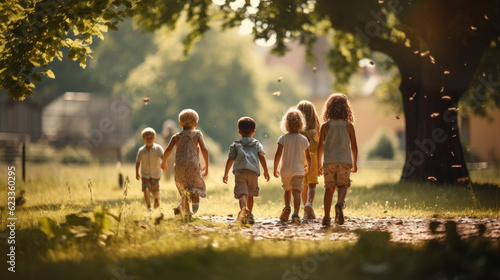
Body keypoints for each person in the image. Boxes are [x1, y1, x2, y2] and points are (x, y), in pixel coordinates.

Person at [317, 93, 358, 226]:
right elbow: (354, 146)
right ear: (346, 109)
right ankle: (340, 203)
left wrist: (319, 164)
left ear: (329, 108)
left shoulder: (325, 126)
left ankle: (327, 217)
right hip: (345, 161)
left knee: (329, 189)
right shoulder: (349, 126)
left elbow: (319, 148)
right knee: (343, 185)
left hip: (329, 162)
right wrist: (355, 163)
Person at [161, 109, 209, 216]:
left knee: (184, 188)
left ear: (179, 123)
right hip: (193, 165)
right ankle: (195, 201)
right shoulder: (197, 134)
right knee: (194, 185)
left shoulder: (176, 136)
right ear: (195, 124)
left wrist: (164, 161)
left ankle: (186, 211)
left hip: (179, 166)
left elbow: (168, 150)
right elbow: (204, 150)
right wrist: (206, 165)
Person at [223, 117, 270, 225]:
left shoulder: (235, 144)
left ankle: (243, 210)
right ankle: (249, 215)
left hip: (240, 171)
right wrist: (266, 171)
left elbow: (230, 159)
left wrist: (226, 173)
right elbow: (262, 156)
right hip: (253, 172)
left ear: (239, 132)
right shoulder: (257, 143)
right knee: (251, 194)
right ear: (253, 132)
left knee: (242, 194)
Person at [274, 108, 311, 224]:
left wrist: (275, 168)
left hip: (285, 171)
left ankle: (286, 207)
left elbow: (278, 154)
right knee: (297, 192)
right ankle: (295, 213)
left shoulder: (283, 138)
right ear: (301, 124)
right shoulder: (304, 139)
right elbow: (308, 156)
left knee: (287, 190)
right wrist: (308, 167)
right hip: (299, 171)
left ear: (286, 124)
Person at [297, 100, 321, 220]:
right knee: (312, 184)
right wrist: (321, 164)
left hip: (300, 159)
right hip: (314, 159)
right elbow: (321, 144)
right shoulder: (316, 128)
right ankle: (309, 204)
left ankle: (305, 209)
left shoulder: (298, 129)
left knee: (303, 185)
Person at [136, 127, 164, 211]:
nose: (149, 140)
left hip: (156, 174)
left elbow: (163, 157)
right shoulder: (141, 150)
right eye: (147, 138)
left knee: (155, 192)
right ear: (143, 139)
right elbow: (138, 162)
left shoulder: (158, 148)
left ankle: (156, 199)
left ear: (154, 138)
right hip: (145, 174)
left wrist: (164, 163)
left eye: (151, 138)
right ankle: (149, 207)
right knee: (146, 189)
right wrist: (137, 173)